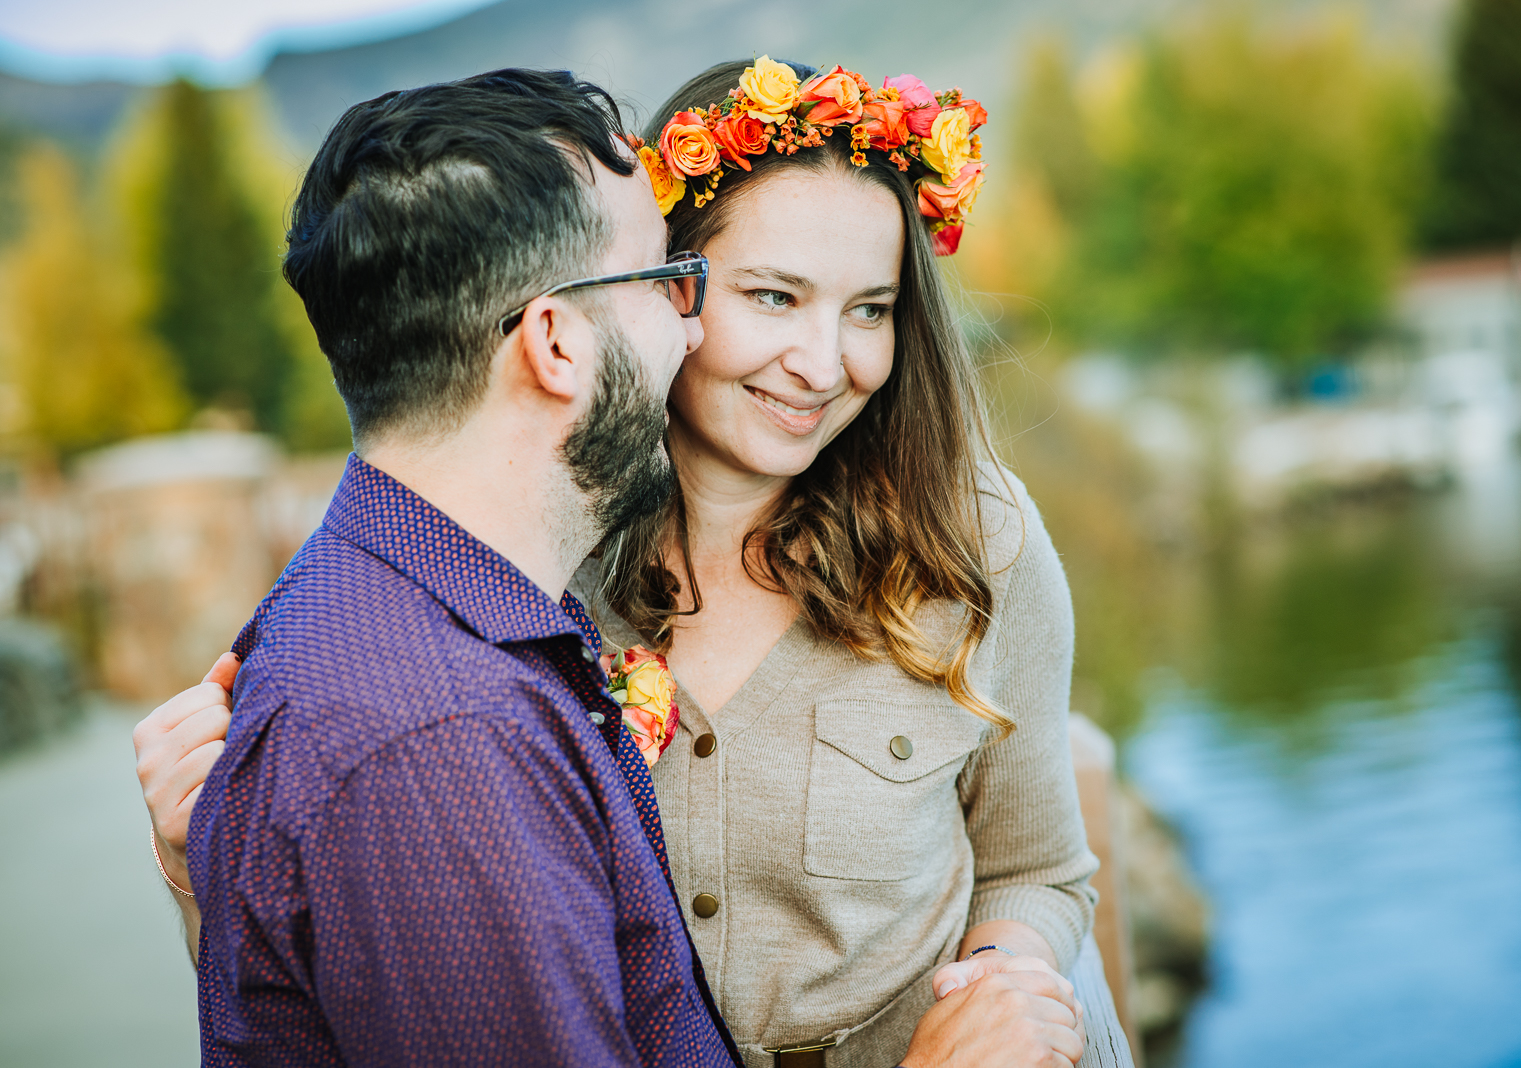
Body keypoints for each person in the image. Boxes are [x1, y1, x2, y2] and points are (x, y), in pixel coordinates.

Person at [137, 60, 1110, 1068]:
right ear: (655, 291)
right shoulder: (526, 580)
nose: (825, 364)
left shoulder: (970, 539)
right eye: (772, 297)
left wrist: (996, 999)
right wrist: (209, 865)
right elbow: (370, 984)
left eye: (872, 309)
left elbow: (1037, 864)